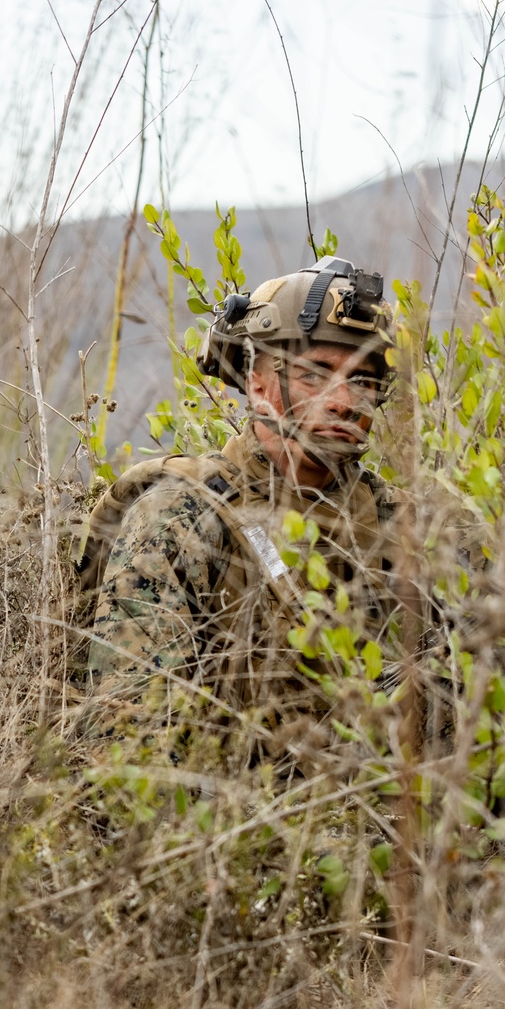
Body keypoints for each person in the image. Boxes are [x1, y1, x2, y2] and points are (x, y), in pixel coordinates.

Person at [77, 256, 397, 766]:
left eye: (362, 379)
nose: (344, 402)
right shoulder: (181, 516)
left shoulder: (399, 523)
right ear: (257, 385)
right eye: (316, 373)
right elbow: (127, 747)